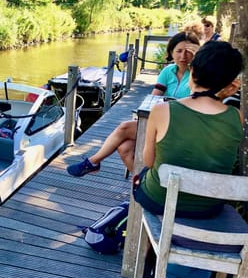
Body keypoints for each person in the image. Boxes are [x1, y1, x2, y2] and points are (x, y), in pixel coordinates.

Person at [67, 31, 201, 177]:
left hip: (182, 128)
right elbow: (154, 97)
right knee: (125, 148)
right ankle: (140, 190)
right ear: (171, 52)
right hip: (163, 121)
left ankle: (93, 162)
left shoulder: (199, 74)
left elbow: (198, 101)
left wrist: (198, 64)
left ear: (196, 53)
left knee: (124, 127)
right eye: (179, 51)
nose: (183, 56)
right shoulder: (168, 71)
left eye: (188, 52)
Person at [134, 40, 243, 218]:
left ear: (192, 72)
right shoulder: (235, 115)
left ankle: (144, 242)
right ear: (229, 83)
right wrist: (221, 94)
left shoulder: (163, 110)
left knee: (143, 175)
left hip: (160, 200)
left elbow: (149, 161)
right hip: (208, 208)